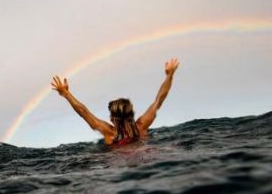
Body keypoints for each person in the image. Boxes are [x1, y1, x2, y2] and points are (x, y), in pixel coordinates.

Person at [51, 58, 180, 146]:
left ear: (112, 118)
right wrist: (170, 75)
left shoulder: (109, 133)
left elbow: (83, 111)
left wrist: (66, 94)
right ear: (131, 113)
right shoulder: (142, 126)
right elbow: (160, 99)